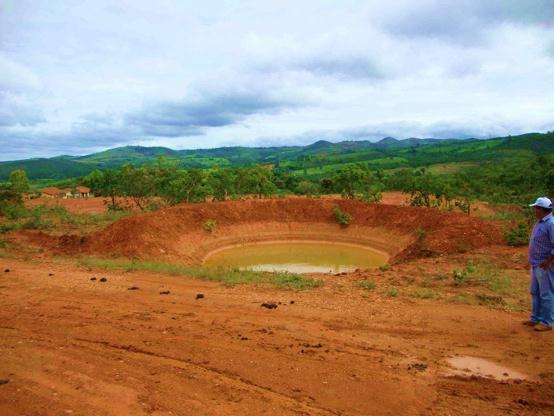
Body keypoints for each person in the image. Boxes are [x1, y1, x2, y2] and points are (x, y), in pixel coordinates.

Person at [523, 196, 554, 331]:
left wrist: (549, 261)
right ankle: (535, 318)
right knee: (535, 292)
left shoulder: (551, 224)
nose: (534, 210)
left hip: (544, 264)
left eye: (536, 208)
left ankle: (547, 322)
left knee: (546, 294)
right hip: (536, 263)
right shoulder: (540, 222)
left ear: (541, 209)